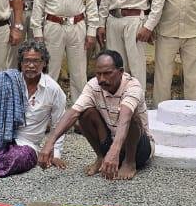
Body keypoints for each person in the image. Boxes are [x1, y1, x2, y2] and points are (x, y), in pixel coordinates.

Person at [38, 51, 153, 181]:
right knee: (85, 113)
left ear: (120, 72)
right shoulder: (93, 85)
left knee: (132, 117)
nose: (102, 79)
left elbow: (126, 117)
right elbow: (73, 112)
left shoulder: (132, 86)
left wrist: (114, 151)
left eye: (107, 73)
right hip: (111, 143)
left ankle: (129, 162)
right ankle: (101, 157)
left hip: (138, 148)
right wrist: (50, 143)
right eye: (98, 74)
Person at [0, 41, 69, 177]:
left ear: (44, 63)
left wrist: (56, 154)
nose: (31, 65)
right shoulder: (9, 79)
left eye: (36, 61)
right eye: (26, 61)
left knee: (21, 157)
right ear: (21, 63)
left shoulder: (53, 89)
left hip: (26, 143)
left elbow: (59, 123)